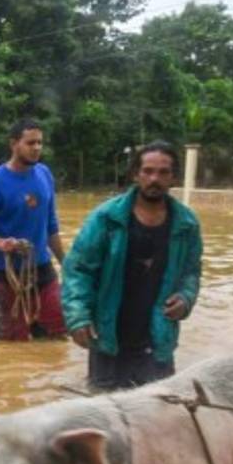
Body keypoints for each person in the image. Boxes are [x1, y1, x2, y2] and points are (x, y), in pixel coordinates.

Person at [61, 140, 203, 392]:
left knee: (160, 407)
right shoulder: (106, 218)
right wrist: (78, 316)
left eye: (163, 172)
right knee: (103, 408)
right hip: (108, 334)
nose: (154, 179)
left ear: (174, 178)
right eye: (148, 171)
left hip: (158, 338)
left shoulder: (186, 224)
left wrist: (185, 297)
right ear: (135, 174)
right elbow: (79, 270)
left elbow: (191, 271)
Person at [0, 118, 67, 340]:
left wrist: (66, 264)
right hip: (3, 275)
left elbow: (51, 226)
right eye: (30, 143)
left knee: (57, 338)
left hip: (43, 270)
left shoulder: (44, 174)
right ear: (13, 144)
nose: (36, 148)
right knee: (10, 347)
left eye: (39, 143)